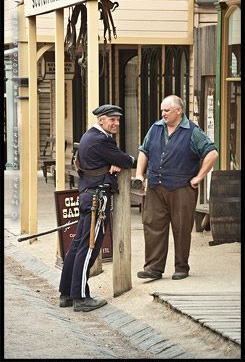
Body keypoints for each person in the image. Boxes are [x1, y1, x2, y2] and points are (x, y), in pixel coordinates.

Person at [59, 104, 134, 312]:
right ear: (100, 120)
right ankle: (81, 297)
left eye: (118, 120)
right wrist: (124, 161)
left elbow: (111, 158)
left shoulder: (90, 136)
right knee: (89, 247)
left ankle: (66, 294)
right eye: (112, 119)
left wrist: (111, 163)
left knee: (77, 246)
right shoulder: (100, 139)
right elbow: (123, 159)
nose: (116, 123)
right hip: (96, 200)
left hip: (89, 196)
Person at [136, 95, 218, 281]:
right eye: (162, 110)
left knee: (181, 228)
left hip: (182, 187)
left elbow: (212, 153)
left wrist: (199, 176)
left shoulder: (192, 131)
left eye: (167, 110)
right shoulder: (156, 128)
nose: (163, 114)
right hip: (156, 186)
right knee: (152, 225)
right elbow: (144, 150)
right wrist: (140, 174)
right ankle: (153, 268)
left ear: (179, 110)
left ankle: (181, 267)